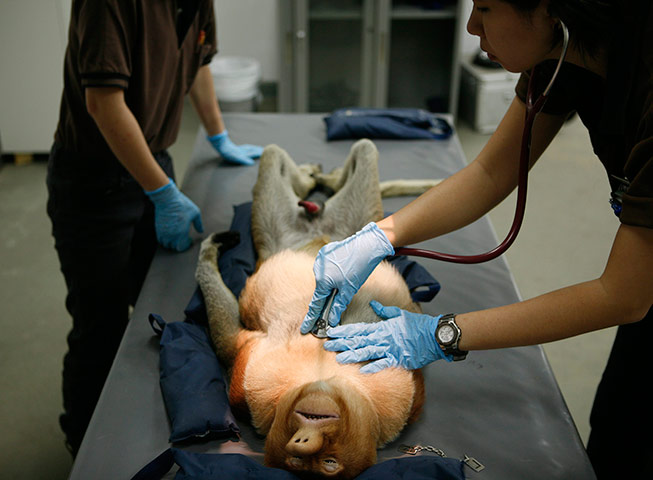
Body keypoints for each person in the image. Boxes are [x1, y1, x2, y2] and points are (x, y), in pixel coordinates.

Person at [301, 1, 652, 478]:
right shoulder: (566, 54)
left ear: (552, 8)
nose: (472, 26)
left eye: (485, 7)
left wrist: (442, 333)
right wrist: (382, 235)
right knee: (614, 425)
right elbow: (490, 172)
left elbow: (623, 294)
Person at [46, 0, 263, 455]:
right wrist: (162, 193)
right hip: (94, 179)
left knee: (166, 304)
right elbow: (104, 103)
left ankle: (150, 428)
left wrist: (219, 135)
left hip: (151, 162)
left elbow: (198, 65)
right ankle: (85, 448)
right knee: (100, 326)